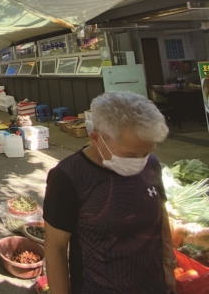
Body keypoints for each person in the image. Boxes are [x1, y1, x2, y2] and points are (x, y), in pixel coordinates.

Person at [43, 91, 176, 294]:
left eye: (146, 153)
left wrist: (168, 262)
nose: (140, 161)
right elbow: (56, 248)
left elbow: (161, 213)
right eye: (130, 154)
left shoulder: (151, 165)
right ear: (96, 138)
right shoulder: (68, 177)